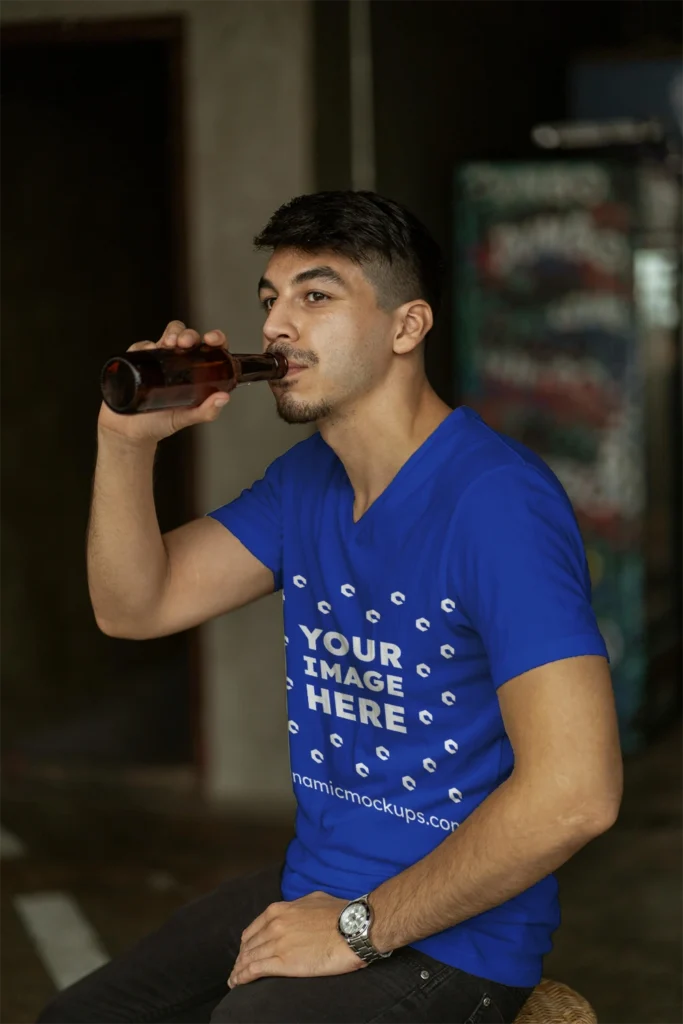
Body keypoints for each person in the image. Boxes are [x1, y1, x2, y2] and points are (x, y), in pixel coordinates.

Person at [46, 191, 623, 1024]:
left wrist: (359, 929)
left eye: (315, 296)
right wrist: (125, 444)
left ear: (406, 327)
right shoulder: (304, 484)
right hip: (313, 885)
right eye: (269, 300)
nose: (278, 325)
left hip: (451, 943)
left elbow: (576, 793)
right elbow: (136, 606)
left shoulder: (496, 503)